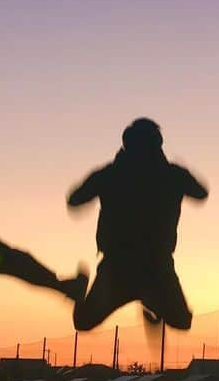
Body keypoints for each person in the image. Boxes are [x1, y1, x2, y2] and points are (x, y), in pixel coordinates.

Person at [67, 118, 207, 331]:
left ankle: (149, 302)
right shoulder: (170, 175)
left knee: (84, 323)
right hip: (140, 264)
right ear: (158, 144)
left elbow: (75, 200)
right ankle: (150, 302)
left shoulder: (111, 174)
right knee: (181, 322)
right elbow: (200, 192)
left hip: (133, 264)